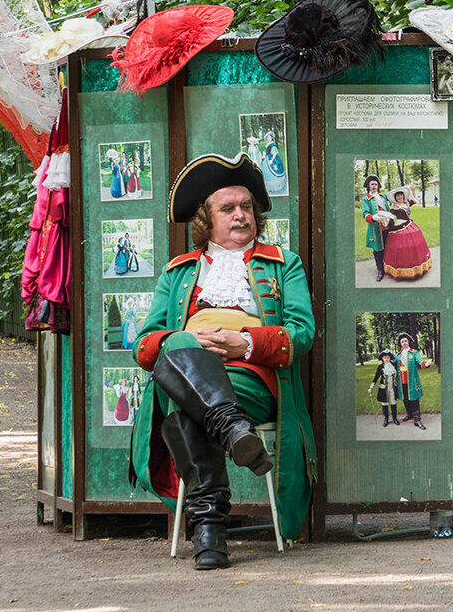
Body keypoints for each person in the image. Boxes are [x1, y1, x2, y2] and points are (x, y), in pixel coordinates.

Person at [130, 152, 315, 570]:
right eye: (228, 208)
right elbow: (144, 345)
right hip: (191, 367)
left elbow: (301, 333)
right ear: (206, 219)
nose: (240, 216)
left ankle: (210, 530)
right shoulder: (178, 272)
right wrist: (187, 338)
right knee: (175, 349)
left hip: (252, 379)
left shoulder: (284, 264)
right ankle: (232, 430)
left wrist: (243, 343)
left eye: (246, 206)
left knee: (183, 413)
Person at [382, 188, 433, 280]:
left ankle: (417, 266)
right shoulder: (394, 207)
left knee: (415, 241)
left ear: (403, 196)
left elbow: (415, 201)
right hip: (399, 226)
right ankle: (401, 269)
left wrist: (413, 190)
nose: (400, 197)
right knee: (401, 246)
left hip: (409, 224)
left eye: (401, 195)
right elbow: (389, 216)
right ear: (395, 198)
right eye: (398, 196)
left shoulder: (406, 204)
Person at [360, 175, 394, 282]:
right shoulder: (366, 199)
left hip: (387, 226)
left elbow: (389, 207)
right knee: (378, 249)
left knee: (389, 247)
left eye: (376, 184)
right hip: (376, 229)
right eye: (372, 184)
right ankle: (380, 270)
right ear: (368, 186)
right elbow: (365, 214)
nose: (374, 186)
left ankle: (389, 267)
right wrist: (374, 217)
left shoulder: (383, 196)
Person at [395, 333, 431, 430]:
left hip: (412, 381)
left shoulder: (414, 352)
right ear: (400, 343)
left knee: (414, 399)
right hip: (401, 381)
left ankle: (417, 420)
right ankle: (410, 414)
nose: (404, 343)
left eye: (405, 341)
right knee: (405, 398)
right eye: (402, 341)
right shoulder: (398, 355)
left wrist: (426, 364)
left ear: (408, 342)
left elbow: (420, 361)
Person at [366, 348, 400, 427]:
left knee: (393, 403)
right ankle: (386, 419)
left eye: (388, 357)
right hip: (383, 388)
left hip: (392, 388)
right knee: (384, 404)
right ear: (382, 358)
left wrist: (396, 380)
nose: (386, 359)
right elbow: (375, 378)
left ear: (390, 358)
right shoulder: (380, 367)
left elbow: (397, 374)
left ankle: (395, 418)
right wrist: (371, 388)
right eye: (385, 357)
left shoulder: (393, 365)